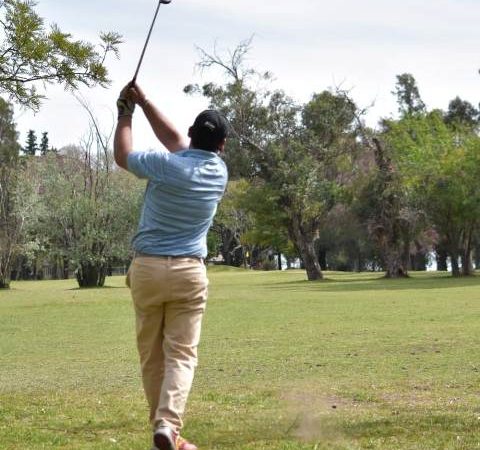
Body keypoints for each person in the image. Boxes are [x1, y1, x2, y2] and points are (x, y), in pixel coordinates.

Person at [114, 83, 229, 450]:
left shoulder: (165, 166)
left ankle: (165, 431)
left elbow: (123, 155)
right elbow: (177, 140)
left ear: (192, 133)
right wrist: (144, 101)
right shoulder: (218, 173)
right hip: (188, 274)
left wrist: (126, 113)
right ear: (222, 147)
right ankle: (167, 426)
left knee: (152, 355)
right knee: (180, 354)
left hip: (147, 271)